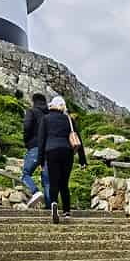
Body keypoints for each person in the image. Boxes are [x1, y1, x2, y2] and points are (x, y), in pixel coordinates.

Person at [38, 94, 86, 223]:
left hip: (51, 151)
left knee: (54, 181)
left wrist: (40, 161)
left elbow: (41, 140)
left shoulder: (45, 119)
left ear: (52, 105)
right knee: (64, 183)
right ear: (63, 107)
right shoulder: (69, 119)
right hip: (67, 152)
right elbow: (78, 139)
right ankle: (67, 212)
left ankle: (54, 203)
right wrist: (82, 160)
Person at [20, 91, 49, 207]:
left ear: (34, 101)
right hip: (48, 149)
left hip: (35, 147)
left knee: (25, 174)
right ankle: (50, 206)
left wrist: (27, 142)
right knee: (47, 180)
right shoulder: (49, 115)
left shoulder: (31, 111)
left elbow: (27, 126)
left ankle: (35, 191)